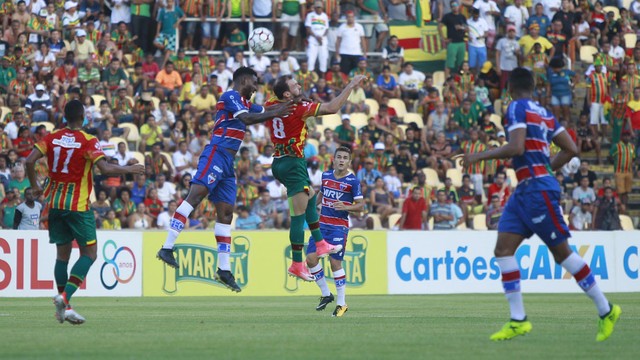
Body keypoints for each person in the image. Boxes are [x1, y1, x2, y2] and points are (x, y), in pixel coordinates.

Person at [462, 67, 620, 342]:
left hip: (537, 191)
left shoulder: (514, 108)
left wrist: (478, 156)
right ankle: (518, 319)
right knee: (502, 250)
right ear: (533, 87)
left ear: (510, 88)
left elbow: (517, 147)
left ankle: (606, 310)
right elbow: (571, 149)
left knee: (563, 255)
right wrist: (547, 167)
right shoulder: (545, 113)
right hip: (525, 191)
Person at [156, 67, 293, 292]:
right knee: (197, 194)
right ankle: (167, 247)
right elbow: (249, 119)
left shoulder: (245, 103)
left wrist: (295, 102)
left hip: (229, 163)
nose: (256, 88)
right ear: (245, 80)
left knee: (226, 213)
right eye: (255, 83)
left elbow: (268, 108)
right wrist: (277, 112)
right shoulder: (230, 96)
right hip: (217, 151)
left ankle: (224, 269)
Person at [25, 99, 144, 325]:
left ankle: (65, 308)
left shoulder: (50, 138)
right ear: (83, 117)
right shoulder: (88, 140)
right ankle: (64, 297)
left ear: (65, 116)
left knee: (62, 256)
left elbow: (29, 161)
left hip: (55, 205)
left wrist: (34, 186)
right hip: (78, 207)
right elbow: (105, 169)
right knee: (90, 254)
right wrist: (130, 169)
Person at [265, 74, 366, 280]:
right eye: (294, 85)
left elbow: (283, 102)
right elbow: (332, 108)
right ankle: (296, 263)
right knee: (297, 216)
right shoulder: (298, 109)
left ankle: (320, 244)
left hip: (281, 161)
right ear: (286, 93)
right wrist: (351, 85)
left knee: (311, 198)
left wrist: (297, 97)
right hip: (293, 163)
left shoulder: (271, 104)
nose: (299, 85)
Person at [306, 146, 364, 317]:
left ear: (349, 161)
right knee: (310, 259)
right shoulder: (326, 175)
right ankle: (326, 294)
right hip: (322, 225)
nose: (341, 160)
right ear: (333, 159)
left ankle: (342, 304)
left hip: (339, 227)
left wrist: (347, 206)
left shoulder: (352, 181)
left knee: (334, 263)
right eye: (339, 157)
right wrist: (313, 206)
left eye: (345, 158)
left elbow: (361, 206)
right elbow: (322, 194)